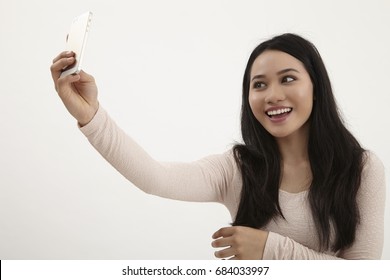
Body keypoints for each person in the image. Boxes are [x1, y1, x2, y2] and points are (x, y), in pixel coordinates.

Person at [50, 33, 385, 259]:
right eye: (259, 84)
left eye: (287, 78)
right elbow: (155, 177)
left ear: (316, 86)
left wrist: (271, 249)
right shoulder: (238, 169)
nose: (272, 95)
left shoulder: (362, 169)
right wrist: (91, 115)